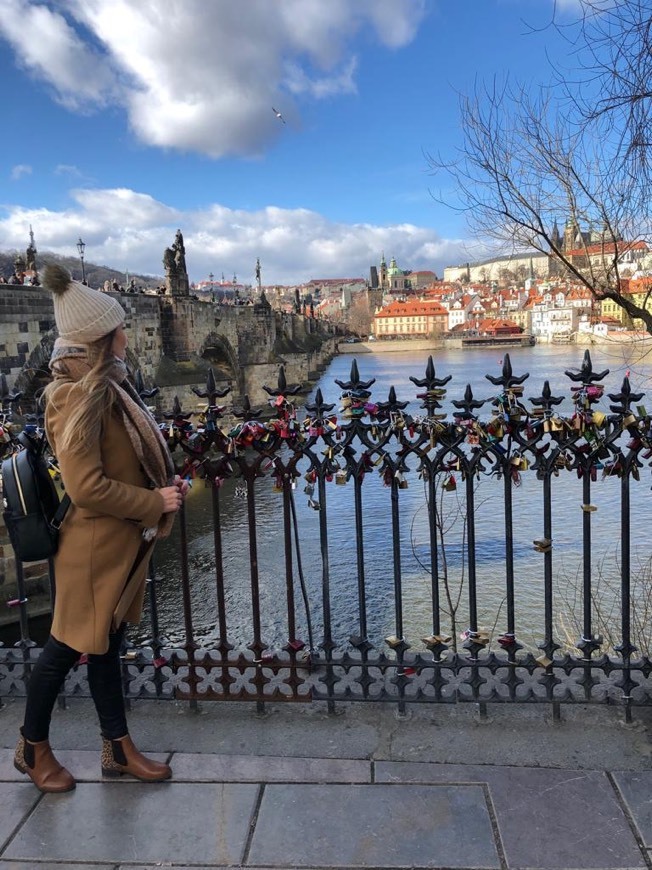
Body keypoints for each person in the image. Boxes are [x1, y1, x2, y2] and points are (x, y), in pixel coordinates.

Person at [14, 263, 188, 794]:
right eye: (118, 330)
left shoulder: (110, 388)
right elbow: (86, 486)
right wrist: (152, 501)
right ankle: (31, 748)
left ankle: (116, 748)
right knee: (64, 649)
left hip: (117, 547)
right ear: (99, 339)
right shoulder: (74, 397)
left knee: (107, 645)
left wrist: (159, 485)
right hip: (92, 551)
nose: (126, 336)